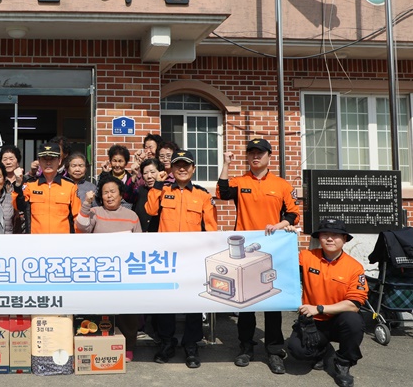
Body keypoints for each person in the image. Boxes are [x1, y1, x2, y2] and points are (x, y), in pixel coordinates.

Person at [216, 138, 300, 374]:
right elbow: (222, 192)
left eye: (260, 153)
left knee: (272, 302)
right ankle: (245, 347)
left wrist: (280, 224)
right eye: (251, 152)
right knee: (246, 302)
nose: (255, 156)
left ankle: (274, 351)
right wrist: (226, 164)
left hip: (272, 249)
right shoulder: (240, 182)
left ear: (269, 156)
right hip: (244, 250)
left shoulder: (281, 185)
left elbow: (293, 214)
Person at [146, 150, 217, 368]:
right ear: (172, 169)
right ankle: (167, 342)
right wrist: (157, 185)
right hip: (166, 258)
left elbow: (211, 229)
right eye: (178, 165)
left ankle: (191, 345)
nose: (182, 169)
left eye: (186, 165)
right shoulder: (163, 190)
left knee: (193, 302)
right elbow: (150, 210)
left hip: (192, 258)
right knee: (166, 302)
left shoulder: (203, 195)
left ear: (193, 169)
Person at [287, 219, 368, 387]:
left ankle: (343, 363)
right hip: (312, 322)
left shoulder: (355, 267)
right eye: (325, 235)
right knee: (297, 350)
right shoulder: (306, 257)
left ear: (344, 239)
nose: (330, 239)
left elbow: (354, 304)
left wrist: (319, 308)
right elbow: (283, 261)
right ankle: (322, 350)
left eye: (335, 235)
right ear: (319, 238)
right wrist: (285, 236)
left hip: (339, 321)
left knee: (353, 321)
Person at [76, 175, 141, 362]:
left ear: (121, 195)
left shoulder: (131, 216)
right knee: (100, 310)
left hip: (125, 271)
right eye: (105, 192)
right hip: (100, 271)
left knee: (127, 312)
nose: (109, 196)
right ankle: (99, 345)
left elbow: (140, 244)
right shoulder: (95, 211)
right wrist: (86, 204)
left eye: (113, 192)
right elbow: (81, 227)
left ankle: (128, 346)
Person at [15, 141, 81, 234]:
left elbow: (77, 217)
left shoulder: (70, 186)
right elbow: (18, 206)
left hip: (62, 240)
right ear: (39, 161)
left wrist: (77, 239)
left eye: (52, 159)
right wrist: (18, 184)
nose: (48, 163)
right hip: (36, 240)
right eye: (44, 159)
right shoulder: (30, 185)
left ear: (59, 161)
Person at [98, 144, 137, 209]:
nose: (117, 165)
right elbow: (98, 195)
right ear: (110, 161)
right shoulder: (104, 177)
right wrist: (104, 174)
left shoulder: (132, 179)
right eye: (114, 161)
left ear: (126, 163)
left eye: (120, 161)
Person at [133, 158, 164, 233]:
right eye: (145, 173)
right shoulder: (139, 191)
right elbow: (126, 195)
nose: (149, 176)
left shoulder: (166, 191)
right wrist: (134, 175)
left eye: (152, 172)